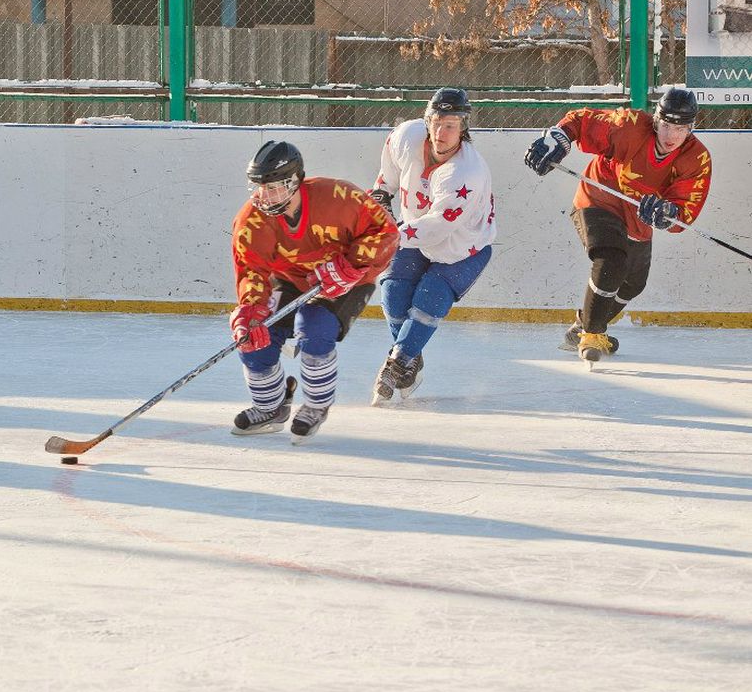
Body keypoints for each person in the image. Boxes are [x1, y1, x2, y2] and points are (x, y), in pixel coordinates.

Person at [524, 87, 712, 364]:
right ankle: (592, 334)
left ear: (691, 128)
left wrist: (668, 212)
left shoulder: (697, 159)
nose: (671, 135)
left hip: (639, 217)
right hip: (599, 197)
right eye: (666, 125)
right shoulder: (630, 126)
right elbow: (581, 121)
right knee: (610, 258)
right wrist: (559, 139)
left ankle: (582, 326)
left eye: (680, 128)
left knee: (633, 282)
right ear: (656, 119)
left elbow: (683, 212)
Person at [230, 140, 399, 443]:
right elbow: (251, 270)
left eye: (272, 188)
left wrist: (351, 264)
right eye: (260, 188)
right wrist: (250, 309)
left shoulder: (338, 197)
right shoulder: (252, 220)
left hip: (349, 278)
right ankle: (270, 406)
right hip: (291, 277)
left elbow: (385, 230)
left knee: (314, 328)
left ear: (294, 182)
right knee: (254, 341)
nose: (263, 196)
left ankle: (316, 405)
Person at [368, 87, 496, 404]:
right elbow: (390, 170)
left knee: (428, 299)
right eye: (436, 122)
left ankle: (398, 361)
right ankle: (412, 355)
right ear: (426, 120)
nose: (441, 132)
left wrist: (392, 236)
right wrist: (382, 193)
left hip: (462, 247)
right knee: (393, 293)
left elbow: (438, 227)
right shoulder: (407, 137)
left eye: (450, 125)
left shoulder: (464, 173)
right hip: (413, 230)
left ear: (463, 128)